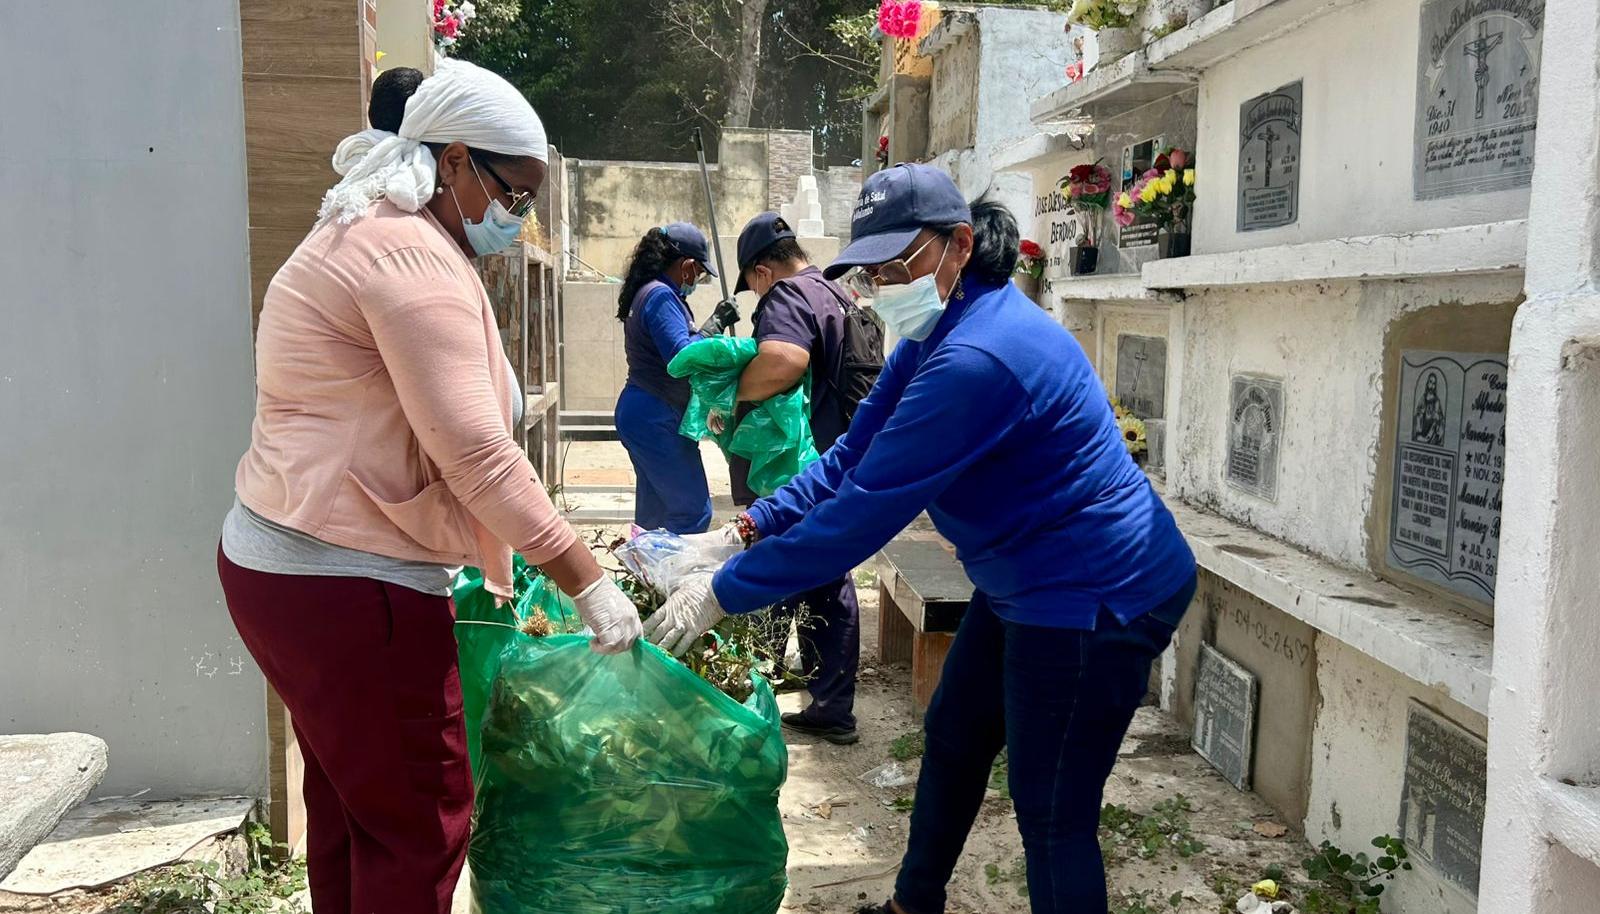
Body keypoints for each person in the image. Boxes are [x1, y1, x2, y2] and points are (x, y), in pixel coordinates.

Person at [645, 164, 1197, 914]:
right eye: (869, 271)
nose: (879, 284)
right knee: (955, 733)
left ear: (959, 246)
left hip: (1095, 595)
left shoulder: (978, 359)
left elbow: (862, 515)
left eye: (894, 266)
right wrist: (745, 529)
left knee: (1052, 811)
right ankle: (914, 905)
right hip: (1020, 580)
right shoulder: (933, 328)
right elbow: (849, 459)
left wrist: (723, 591)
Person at [217, 63, 641, 914]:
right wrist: (584, 580)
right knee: (420, 817)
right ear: (453, 161)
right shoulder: (408, 256)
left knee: (352, 807)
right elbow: (478, 457)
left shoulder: (379, 232)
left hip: (292, 566)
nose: (518, 218)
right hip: (347, 582)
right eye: (513, 194)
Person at [716, 212, 882, 744]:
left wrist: (725, 392)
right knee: (825, 581)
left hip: (796, 468)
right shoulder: (840, 293)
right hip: (838, 460)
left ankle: (762, 695)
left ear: (762, 270)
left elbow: (784, 362)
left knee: (783, 571)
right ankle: (829, 706)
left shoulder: (788, 297)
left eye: (751, 284)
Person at [614, 223, 739, 533]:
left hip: (644, 412)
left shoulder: (650, 293)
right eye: (698, 273)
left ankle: (650, 580)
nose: (697, 279)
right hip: (655, 415)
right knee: (692, 512)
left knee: (654, 515)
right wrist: (715, 324)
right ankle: (676, 581)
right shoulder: (660, 297)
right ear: (687, 266)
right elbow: (681, 358)